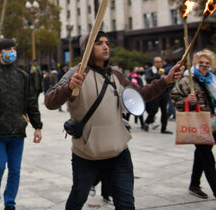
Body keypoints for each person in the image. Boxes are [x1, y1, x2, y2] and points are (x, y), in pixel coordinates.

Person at [45, 31, 183, 210]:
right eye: (99, 43)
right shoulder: (76, 73)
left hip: (119, 153)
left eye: (107, 43)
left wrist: (165, 81)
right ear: (87, 48)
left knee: (126, 204)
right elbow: (49, 101)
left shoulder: (116, 75)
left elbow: (139, 95)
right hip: (87, 154)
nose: (105, 46)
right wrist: (69, 87)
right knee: (77, 200)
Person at [0, 38, 43, 210]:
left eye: (13, 48)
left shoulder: (23, 76)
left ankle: (10, 203)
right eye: (7, 49)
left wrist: (37, 126)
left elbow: (31, 102)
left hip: (17, 131)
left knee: (15, 170)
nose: (11, 51)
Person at [171, 49, 216, 199]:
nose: (204, 66)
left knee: (201, 155)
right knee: (208, 159)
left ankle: (194, 185)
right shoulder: (187, 80)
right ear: (195, 64)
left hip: (213, 124)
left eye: (207, 63)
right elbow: (175, 100)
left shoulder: (212, 80)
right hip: (198, 124)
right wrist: (188, 101)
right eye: (201, 63)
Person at [145, 56, 173, 134]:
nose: (159, 64)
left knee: (164, 111)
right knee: (154, 109)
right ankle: (146, 122)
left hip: (164, 93)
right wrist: (157, 75)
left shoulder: (165, 70)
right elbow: (148, 79)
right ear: (154, 63)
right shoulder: (150, 70)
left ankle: (164, 128)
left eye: (161, 62)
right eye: (157, 62)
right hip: (154, 93)